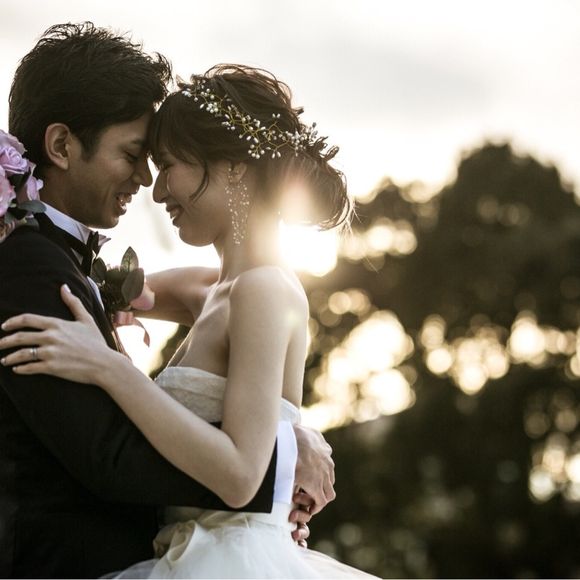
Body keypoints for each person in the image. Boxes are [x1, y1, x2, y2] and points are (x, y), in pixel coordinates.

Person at [0, 64, 377, 578]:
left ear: (234, 168)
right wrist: (291, 442)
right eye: (142, 161)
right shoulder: (209, 290)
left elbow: (241, 475)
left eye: (168, 165)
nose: (156, 191)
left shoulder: (264, 291)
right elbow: (110, 288)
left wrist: (108, 366)